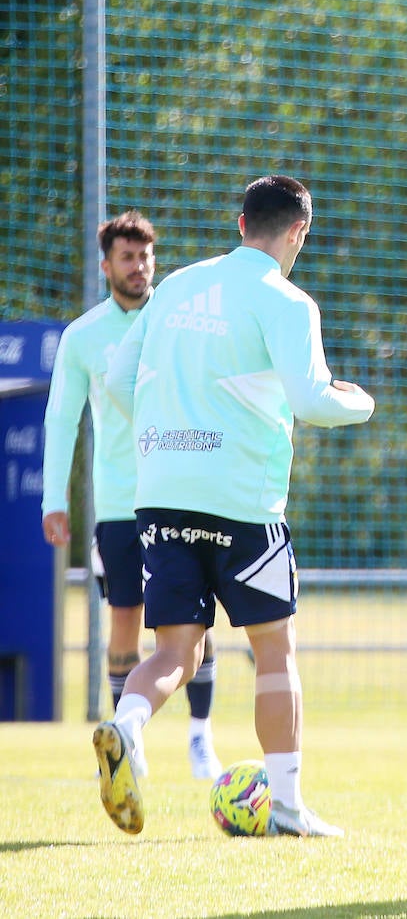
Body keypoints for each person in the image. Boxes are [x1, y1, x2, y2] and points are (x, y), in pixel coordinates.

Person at [95, 175, 375, 836]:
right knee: (274, 651)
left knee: (176, 653)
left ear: (240, 222)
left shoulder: (177, 287)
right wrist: (360, 401)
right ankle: (286, 808)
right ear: (298, 232)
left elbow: (115, 378)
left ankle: (126, 726)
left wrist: (161, 435)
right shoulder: (286, 300)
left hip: (160, 495)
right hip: (243, 503)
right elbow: (310, 401)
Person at [41, 211, 222, 780]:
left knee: (196, 624)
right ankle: (126, 744)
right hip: (121, 506)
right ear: (107, 265)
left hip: (182, 492)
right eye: (127, 257)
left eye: (145, 256)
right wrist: (54, 499)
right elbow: (61, 419)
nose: (139, 267)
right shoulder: (83, 335)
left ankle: (200, 738)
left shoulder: (181, 322)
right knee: (124, 622)